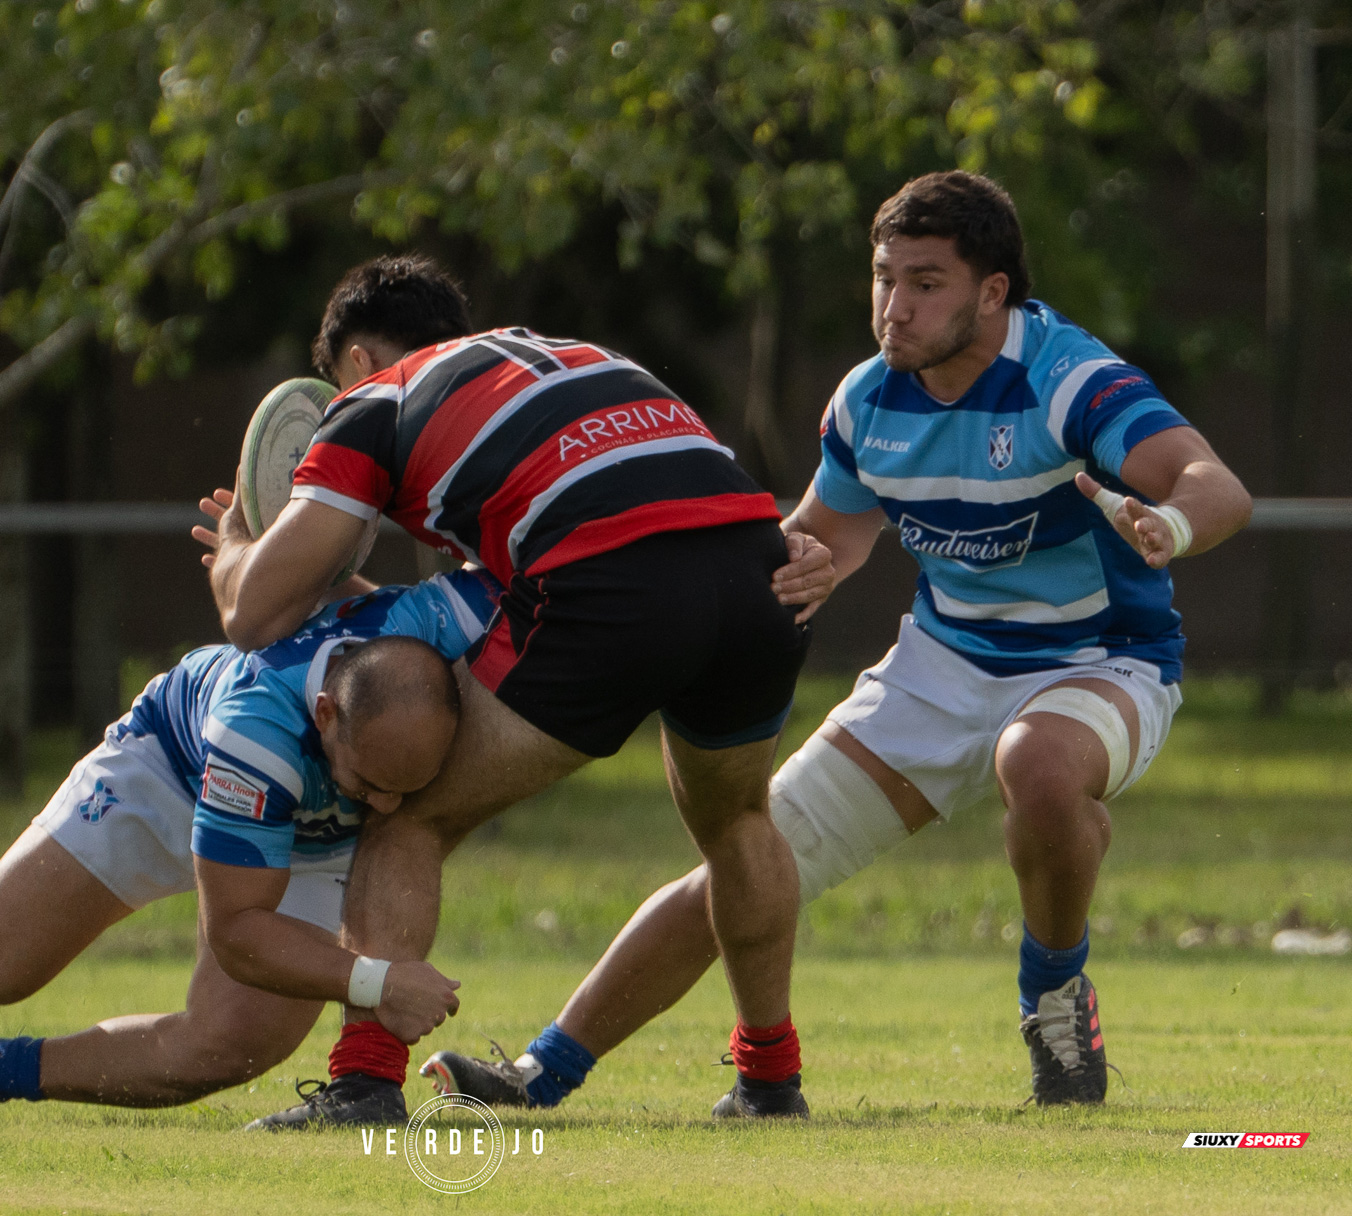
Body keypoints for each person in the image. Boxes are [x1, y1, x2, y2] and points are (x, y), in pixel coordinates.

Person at [420, 169, 1252, 1111]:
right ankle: (541, 1073)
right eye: (885, 278)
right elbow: (828, 535)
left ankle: (1053, 997)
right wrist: (801, 562)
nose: (895, 307)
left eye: (925, 283)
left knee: (1040, 765)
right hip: (942, 669)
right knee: (748, 863)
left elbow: (1216, 485)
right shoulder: (869, 400)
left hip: (1104, 662)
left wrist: (1172, 523)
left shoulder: (1069, 380)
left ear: (993, 292)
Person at [196, 255, 836, 1128]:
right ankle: (770, 1082)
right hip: (755, 566)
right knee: (740, 825)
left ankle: (364, 1085)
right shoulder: (566, 356)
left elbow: (253, 613)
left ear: (355, 363)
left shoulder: (369, 404)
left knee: (410, 812)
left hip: (612, 581)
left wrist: (238, 543)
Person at [0, 569, 498, 1120]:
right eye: (369, 783)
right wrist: (378, 980)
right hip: (168, 775)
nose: (387, 808)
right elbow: (238, 932)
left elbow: (522, 580)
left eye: (405, 790)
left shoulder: (445, 616)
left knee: (228, 1045)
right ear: (325, 712)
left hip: (311, 835)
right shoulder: (257, 730)